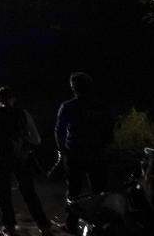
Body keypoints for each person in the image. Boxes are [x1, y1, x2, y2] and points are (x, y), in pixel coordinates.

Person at [0, 86, 53, 236]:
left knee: (4, 194)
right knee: (29, 193)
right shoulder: (23, 113)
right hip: (21, 159)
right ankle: (44, 226)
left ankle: (10, 228)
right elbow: (37, 140)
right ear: (13, 99)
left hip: (0, 159)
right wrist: (22, 140)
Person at [54, 72, 111, 234]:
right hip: (96, 154)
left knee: (73, 191)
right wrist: (105, 150)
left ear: (73, 88)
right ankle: (99, 225)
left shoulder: (68, 106)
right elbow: (109, 131)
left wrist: (62, 150)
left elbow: (58, 131)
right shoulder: (101, 106)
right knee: (98, 191)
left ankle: (71, 224)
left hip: (75, 154)